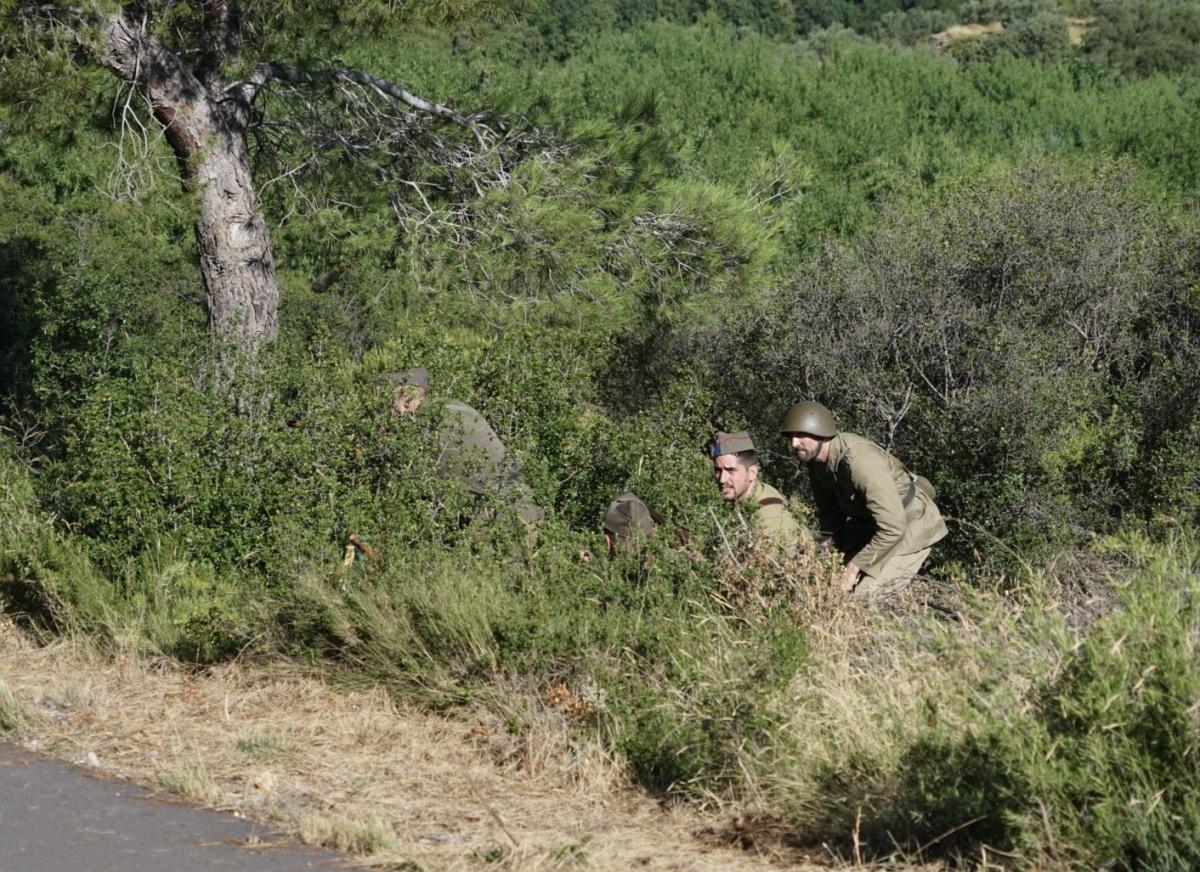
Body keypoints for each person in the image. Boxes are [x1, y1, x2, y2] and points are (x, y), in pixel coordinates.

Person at [780, 401, 947, 597]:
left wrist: (853, 568)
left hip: (910, 526)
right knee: (823, 590)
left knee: (864, 601)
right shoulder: (816, 463)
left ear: (821, 433)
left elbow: (894, 527)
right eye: (791, 436)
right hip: (872, 528)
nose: (794, 443)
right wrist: (824, 556)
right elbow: (830, 516)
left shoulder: (860, 461)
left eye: (800, 435)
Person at [386, 368, 544, 527]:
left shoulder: (429, 427)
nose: (386, 412)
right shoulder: (453, 406)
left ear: (406, 401)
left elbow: (403, 484)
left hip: (502, 520)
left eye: (389, 404)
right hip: (525, 507)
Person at [711, 431, 806, 556]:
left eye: (730, 470)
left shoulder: (768, 511)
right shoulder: (743, 499)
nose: (722, 479)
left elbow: (766, 568)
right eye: (718, 470)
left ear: (752, 472)